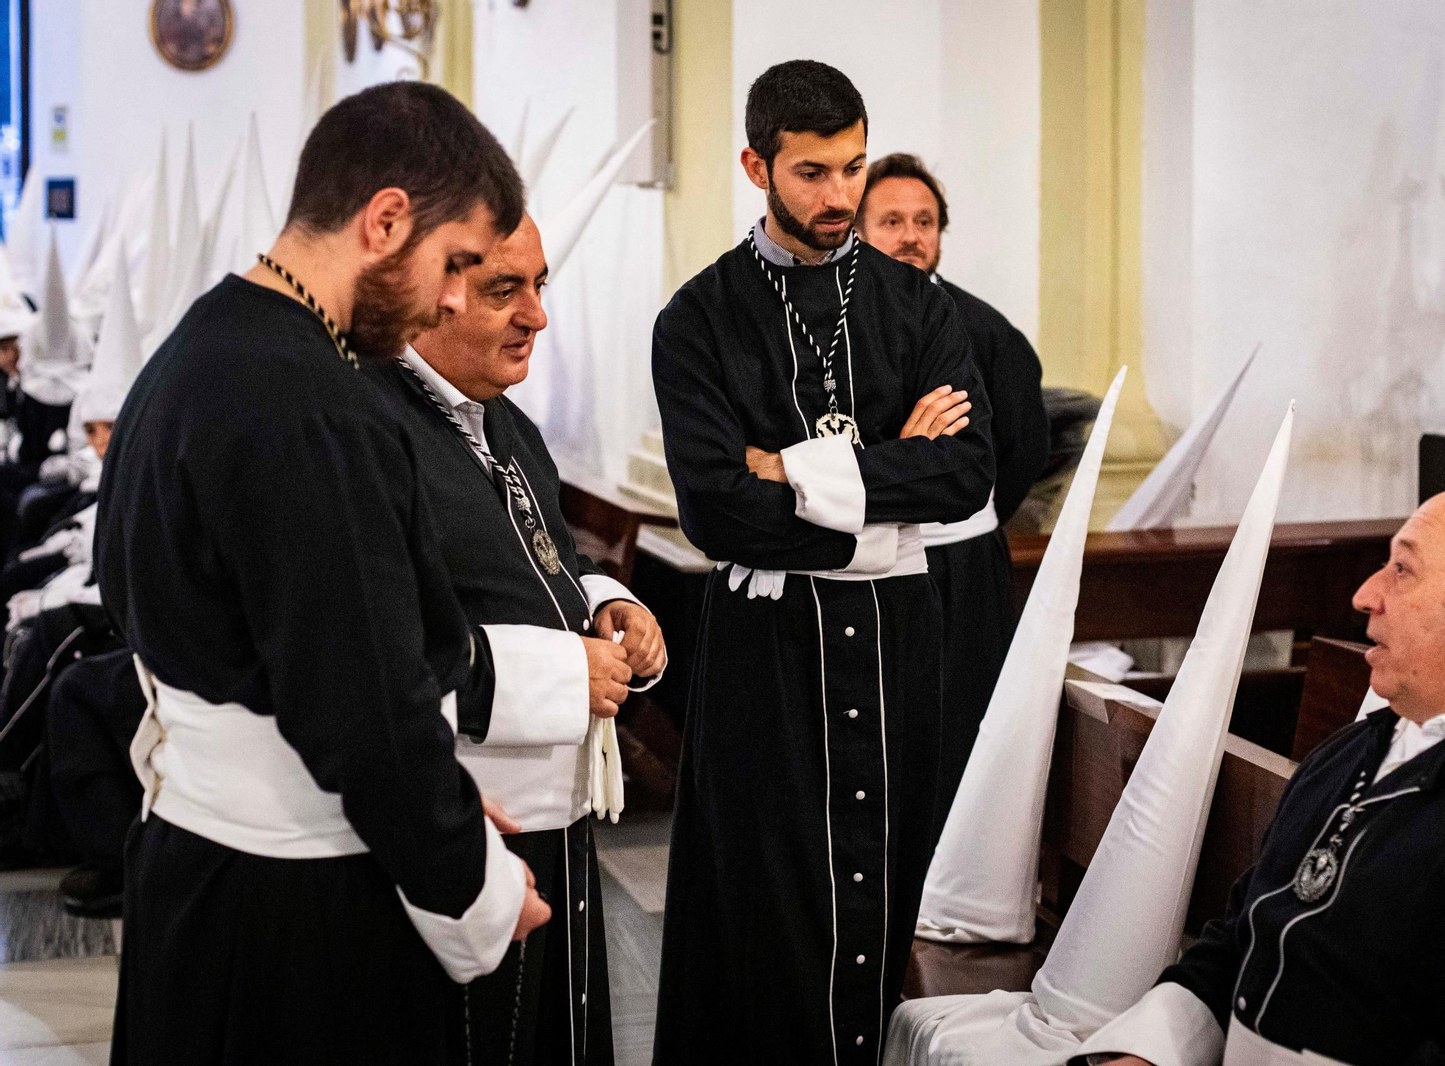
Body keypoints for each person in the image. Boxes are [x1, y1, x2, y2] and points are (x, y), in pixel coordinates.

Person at [95, 82, 550, 1065]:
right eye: (454, 265)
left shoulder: (204, 345)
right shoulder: (315, 407)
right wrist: (473, 879)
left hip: (198, 869)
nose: (451, 301)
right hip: (296, 912)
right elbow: (365, 708)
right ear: (386, 220)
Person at [651, 60, 995, 1065]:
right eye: (810, 172)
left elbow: (966, 474)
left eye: (850, 167)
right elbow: (716, 509)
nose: (838, 196)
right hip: (765, 654)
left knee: (884, 888)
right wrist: (888, 470)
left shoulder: (920, 308)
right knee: (767, 906)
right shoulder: (699, 318)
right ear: (757, 164)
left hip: (898, 649)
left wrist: (791, 470)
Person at [1079, 484, 1445, 1065]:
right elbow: (1245, 937)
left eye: (1402, 570)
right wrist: (1147, 1055)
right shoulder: (1352, 750)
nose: (1364, 595)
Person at [368, 212, 668, 1065]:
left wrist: (610, 608)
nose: (537, 315)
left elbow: (548, 561)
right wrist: (564, 672)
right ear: (431, 292)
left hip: (557, 820)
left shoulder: (504, 421)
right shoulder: (374, 427)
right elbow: (380, 645)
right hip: (467, 819)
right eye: (508, 290)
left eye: (539, 286)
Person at [856, 152, 1050, 831]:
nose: (910, 235)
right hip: (867, 564)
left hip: (964, 565)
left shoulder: (990, 334)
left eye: (924, 221)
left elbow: (1022, 447)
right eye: (891, 221)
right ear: (856, 230)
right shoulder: (830, 332)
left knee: (962, 726)